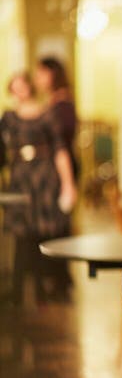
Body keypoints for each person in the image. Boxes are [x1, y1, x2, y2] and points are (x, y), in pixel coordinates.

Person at [1, 72, 77, 305]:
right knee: (23, 236)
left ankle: (48, 287)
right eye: (15, 88)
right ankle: (19, 289)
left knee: (45, 232)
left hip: (44, 180)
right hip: (21, 180)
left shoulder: (47, 114)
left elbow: (59, 149)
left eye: (22, 86)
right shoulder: (10, 118)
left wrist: (68, 184)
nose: (19, 91)